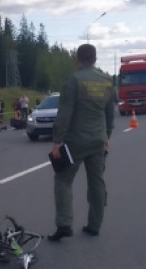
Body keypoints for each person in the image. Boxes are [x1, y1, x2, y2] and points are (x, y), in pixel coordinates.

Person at [48, 43, 115, 241]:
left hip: (75, 142)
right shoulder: (106, 81)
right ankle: (95, 225)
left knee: (63, 180)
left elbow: (65, 113)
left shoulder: (74, 80)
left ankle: (64, 224)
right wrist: (106, 137)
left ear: (78, 58)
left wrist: (57, 141)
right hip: (98, 140)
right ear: (95, 59)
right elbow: (109, 114)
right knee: (96, 182)